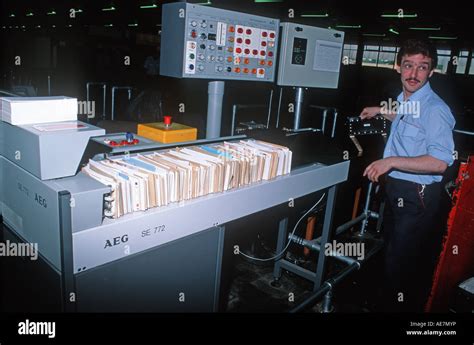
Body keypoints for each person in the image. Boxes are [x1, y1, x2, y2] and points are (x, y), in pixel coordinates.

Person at [359, 39, 455, 312]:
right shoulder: (406, 99)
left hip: (417, 194)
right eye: (408, 65)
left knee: (401, 260)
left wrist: (390, 161)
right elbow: (405, 115)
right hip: (399, 189)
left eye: (422, 68)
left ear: (431, 72)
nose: (414, 74)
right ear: (397, 66)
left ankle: (395, 307)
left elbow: (439, 162)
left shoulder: (436, 109)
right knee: (391, 247)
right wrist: (379, 111)